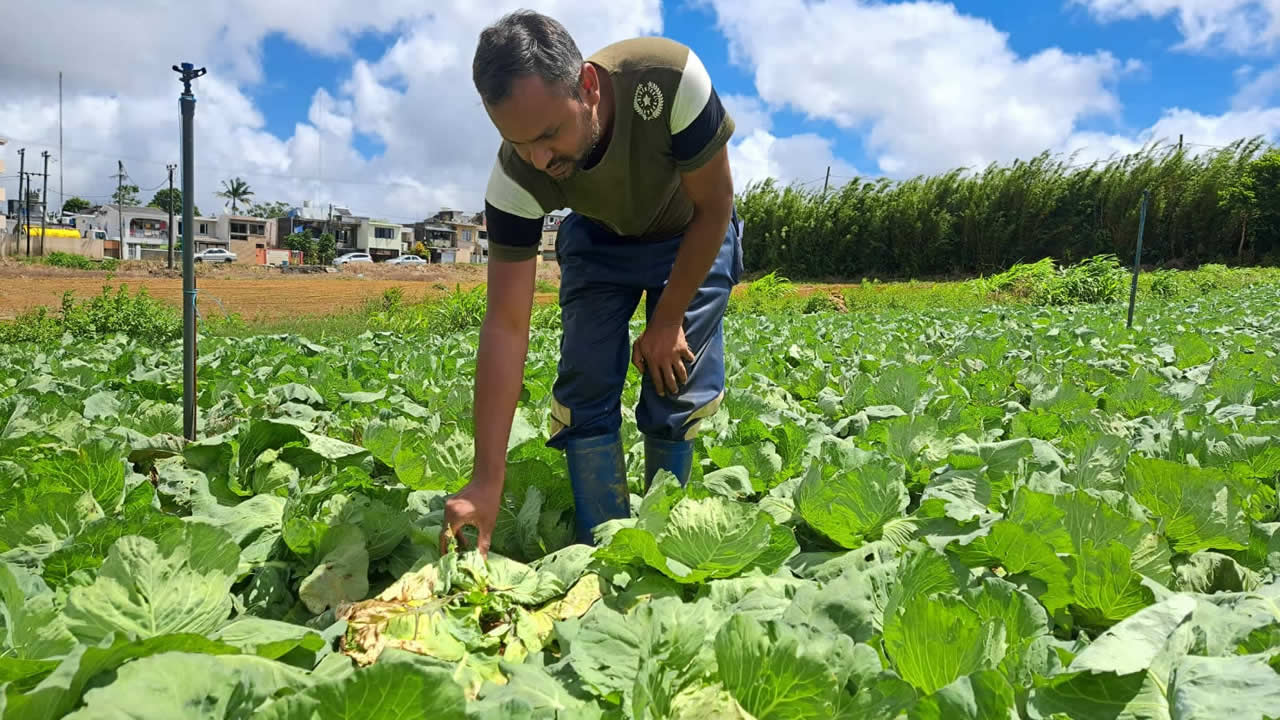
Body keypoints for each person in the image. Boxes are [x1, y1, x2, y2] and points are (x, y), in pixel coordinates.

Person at [441, 10, 743, 556]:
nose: (539, 158)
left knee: (674, 379)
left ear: (586, 86)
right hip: (601, 241)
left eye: (550, 134)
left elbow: (716, 204)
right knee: (584, 387)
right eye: (519, 141)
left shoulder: (669, 78)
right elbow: (506, 324)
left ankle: (667, 545)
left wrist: (668, 319)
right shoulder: (516, 176)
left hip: (690, 230)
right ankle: (600, 544)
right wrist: (486, 480)